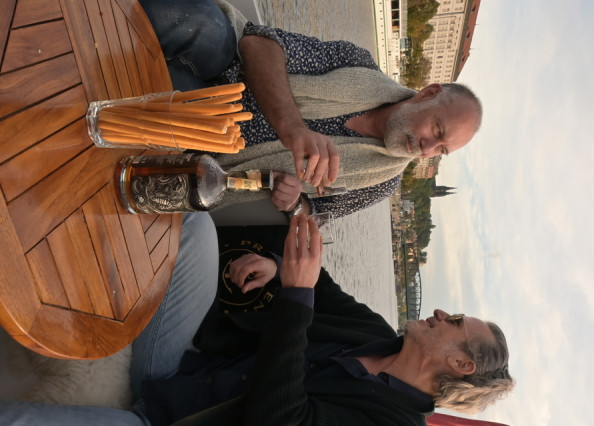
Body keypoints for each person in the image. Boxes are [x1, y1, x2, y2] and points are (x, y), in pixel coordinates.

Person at [0, 214, 513, 425]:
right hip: (181, 367)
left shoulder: (391, 423)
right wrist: (275, 266)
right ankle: (33, 233)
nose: (441, 312)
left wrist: (295, 299)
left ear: (461, 364)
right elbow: (321, 288)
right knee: (195, 226)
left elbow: (280, 419)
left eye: (456, 321)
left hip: (171, 421)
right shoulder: (376, 335)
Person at [139, 0, 483, 218]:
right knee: (207, 24)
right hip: (222, 78)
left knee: (161, 117)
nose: (427, 148)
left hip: (211, 157)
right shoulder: (357, 63)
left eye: (441, 150)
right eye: (437, 130)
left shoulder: (380, 184)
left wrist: (292, 201)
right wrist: (292, 128)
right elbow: (259, 43)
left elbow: (314, 214)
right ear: (428, 94)